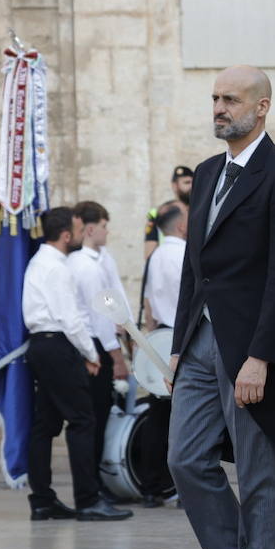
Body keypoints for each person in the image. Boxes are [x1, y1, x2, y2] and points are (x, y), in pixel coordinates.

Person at [167, 65, 275, 549]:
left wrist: (262, 355)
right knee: (184, 458)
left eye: (230, 99)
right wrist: (180, 345)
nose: (219, 108)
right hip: (201, 342)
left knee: (257, 471)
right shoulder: (207, 173)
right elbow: (193, 268)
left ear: (262, 107)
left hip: (250, 346)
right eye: (214, 98)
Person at [22, 206, 132, 522]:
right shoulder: (57, 267)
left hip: (42, 345)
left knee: (45, 425)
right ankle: (87, 499)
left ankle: (42, 499)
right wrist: (91, 354)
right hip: (57, 345)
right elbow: (70, 318)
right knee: (83, 420)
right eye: (77, 230)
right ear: (67, 235)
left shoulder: (40, 262)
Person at [65, 200, 131, 497]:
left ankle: (96, 481)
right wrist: (116, 356)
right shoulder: (85, 266)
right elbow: (101, 315)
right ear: (91, 229)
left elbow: (116, 298)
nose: (107, 232)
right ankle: (91, 484)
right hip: (95, 345)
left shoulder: (101, 259)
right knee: (94, 417)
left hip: (102, 342)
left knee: (101, 415)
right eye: (104, 226)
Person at [140, 166, 193, 326]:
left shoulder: (198, 210)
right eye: (186, 182)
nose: (191, 186)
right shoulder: (159, 213)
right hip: (169, 269)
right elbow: (149, 252)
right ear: (174, 186)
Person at [143, 201, 187, 330]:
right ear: (181, 227)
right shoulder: (186, 254)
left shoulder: (153, 257)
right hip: (185, 330)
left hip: (162, 331)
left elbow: (148, 300)